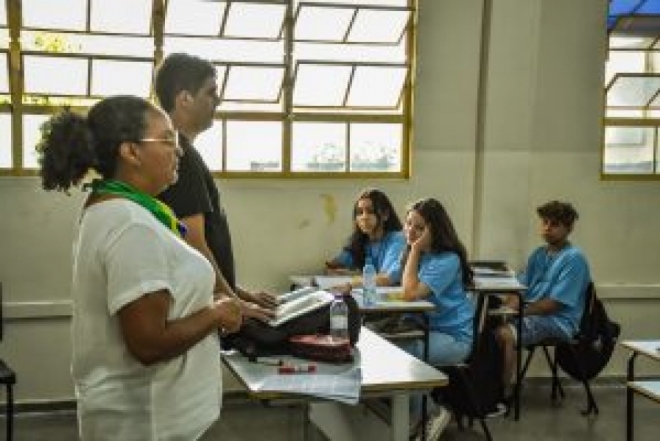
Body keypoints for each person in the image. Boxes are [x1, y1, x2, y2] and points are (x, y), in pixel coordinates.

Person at [36, 95, 243, 440]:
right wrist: (217, 314)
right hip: (147, 423)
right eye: (166, 140)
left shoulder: (119, 209)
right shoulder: (130, 225)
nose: (178, 151)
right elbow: (148, 343)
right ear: (130, 152)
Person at [154, 53, 277, 322]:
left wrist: (240, 293)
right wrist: (233, 303)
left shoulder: (184, 155)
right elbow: (194, 244)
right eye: (211, 92)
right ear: (184, 98)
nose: (218, 100)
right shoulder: (180, 158)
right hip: (195, 310)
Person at [496, 200, 591, 399]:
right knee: (486, 324)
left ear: (569, 227)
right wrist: (505, 311)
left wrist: (517, 312)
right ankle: (481, 388)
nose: (547, 228)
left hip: (559, 321)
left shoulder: (575, 259)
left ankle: (501, 394)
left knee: (505, 334)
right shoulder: (539, 254)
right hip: (531, 312)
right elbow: (518, 289)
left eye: (554, 224)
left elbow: (555, 304)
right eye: (545, 222)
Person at [398, 198, 475, 440]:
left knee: (405, 355)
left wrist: (415, 249)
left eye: (419, 227)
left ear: (435, 230)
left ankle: (433, 411)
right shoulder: (422, 254)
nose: (411, 231)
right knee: (386, 344)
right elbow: (401, 287)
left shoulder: (447, 259)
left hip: (453, 338)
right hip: (428, 330)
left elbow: (409, 293)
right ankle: (411, 416)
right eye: (408, 224)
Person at [325, 188, 405, 286]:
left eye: (370, 211)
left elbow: (386, 278)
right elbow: (333, 266)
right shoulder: (361, 240)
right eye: (360, 212)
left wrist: (354, 280)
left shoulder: (398, 239)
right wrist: (338, 271)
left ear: (385, 214)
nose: (364, 217)